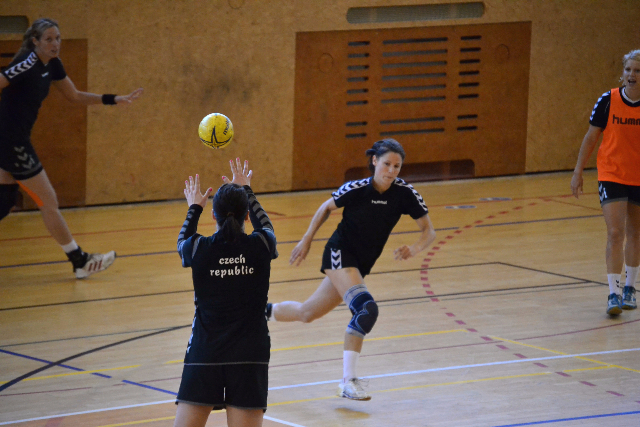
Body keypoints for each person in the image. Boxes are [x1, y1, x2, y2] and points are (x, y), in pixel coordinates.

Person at [266, 138, 436, 400]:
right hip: (339, 252)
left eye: (397, 166)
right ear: (374, 161)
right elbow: (325, 208)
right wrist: (307, 239)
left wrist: (414, 249)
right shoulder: (357, 188)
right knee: (366, 309)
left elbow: (428, 231)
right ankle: (348, 382)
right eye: (387, 164)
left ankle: (259, 311)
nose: (391, 171)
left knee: (307, 312)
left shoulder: (405, 193)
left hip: (360, 264)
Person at [0, 18, 143, 278]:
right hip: (11, 142)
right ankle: (80, 261)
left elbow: (75, 96)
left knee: (5, 199)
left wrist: (113, 99)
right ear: (35, 41)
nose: (55, 44)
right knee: (48, 201)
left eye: (58, 39)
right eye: (48, 39)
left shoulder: (52, 64)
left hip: (13, 140)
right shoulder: (27, 63)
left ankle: (79, 261)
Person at [174, 159, 277, 427]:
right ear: (246, 216)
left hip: (205, 352)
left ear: (213, 216)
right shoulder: (262, 244)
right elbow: (267, 227)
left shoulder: (198, 248)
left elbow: (182, 241)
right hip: (250, 354)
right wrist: (247, 191)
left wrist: (194, 207)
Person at [571, 49, 640, 315]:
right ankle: (613, 293)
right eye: (628, 70)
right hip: (612, 174)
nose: (632, 75)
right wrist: (578, 171)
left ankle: (630, 289)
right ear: (622, 73)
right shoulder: (608, 100)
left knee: (635, 233)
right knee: (615, 233)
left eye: (637, 71)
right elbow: (591, 137)